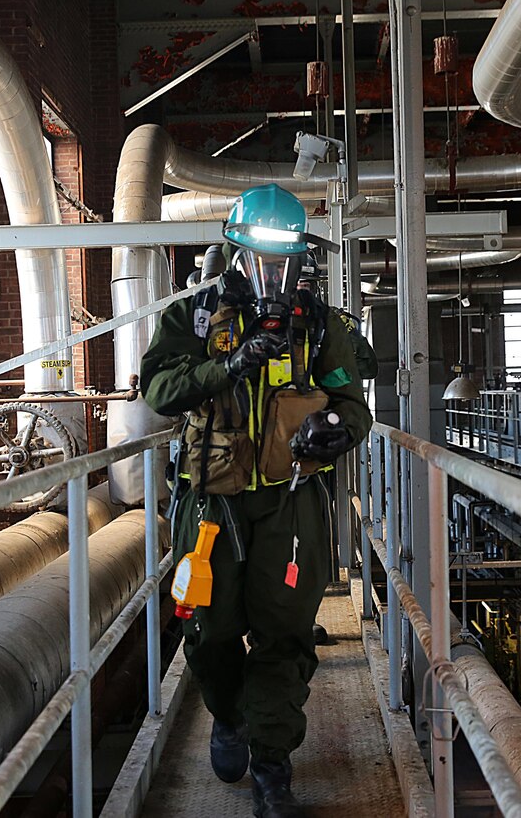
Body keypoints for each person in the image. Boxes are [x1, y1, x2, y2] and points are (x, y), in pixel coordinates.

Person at [140, 183, 372, 818]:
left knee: (285, 634)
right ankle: (229, 716)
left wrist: (337, 430)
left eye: (285, 256)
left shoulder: (319, 324)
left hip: (290, 502)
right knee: (208, 631)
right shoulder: (193, 316)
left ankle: (273, 768)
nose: (273, 269)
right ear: (236, 252)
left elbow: (353, 405)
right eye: (261, 255)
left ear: (300, 256)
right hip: (211, 505)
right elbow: (158, 389)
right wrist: (230, 364)